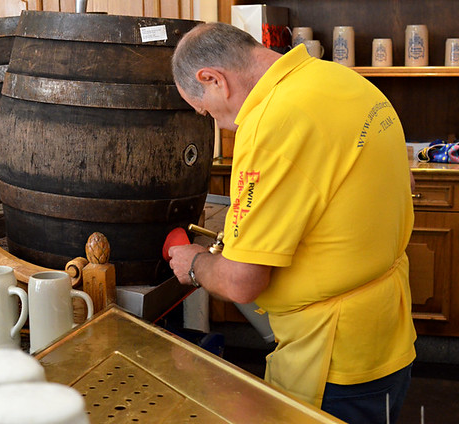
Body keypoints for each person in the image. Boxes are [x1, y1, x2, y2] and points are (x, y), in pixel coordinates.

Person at [167, 22, 416, 424]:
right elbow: (404, 179)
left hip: (334, 358)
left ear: (212, 79)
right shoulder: (339, 79)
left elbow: (242, 280)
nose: (220, 123)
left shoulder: (272, 122)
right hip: (388, 332)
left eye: (208, 111)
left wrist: (195, 264)